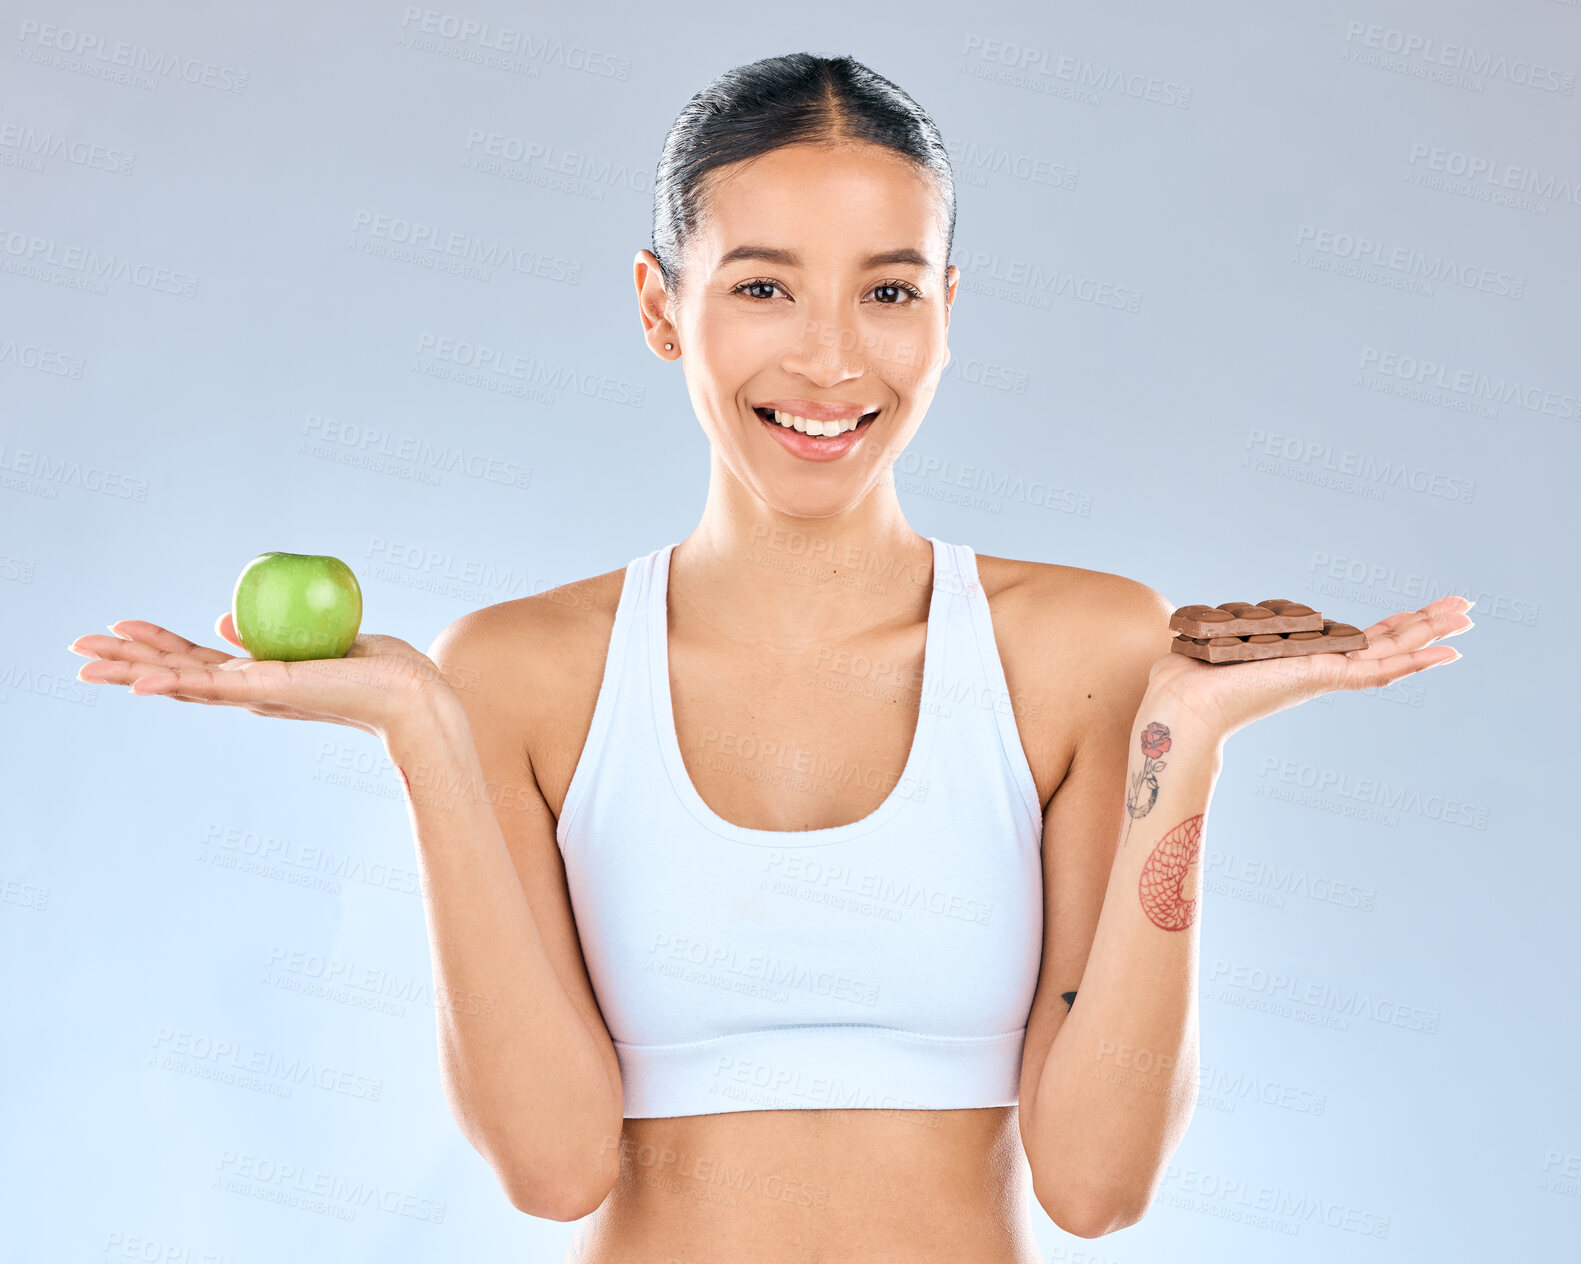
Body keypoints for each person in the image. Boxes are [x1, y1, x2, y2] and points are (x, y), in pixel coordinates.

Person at [68, 52, 1472, 1262]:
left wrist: (1182, 745)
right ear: (658, 304)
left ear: (945, 310)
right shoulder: (516, 672)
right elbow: (555, 1169)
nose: (826, 361)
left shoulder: (1085, 646)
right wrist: (421, 732)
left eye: (886, 292)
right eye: (759, 286)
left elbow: (1094, 1189)